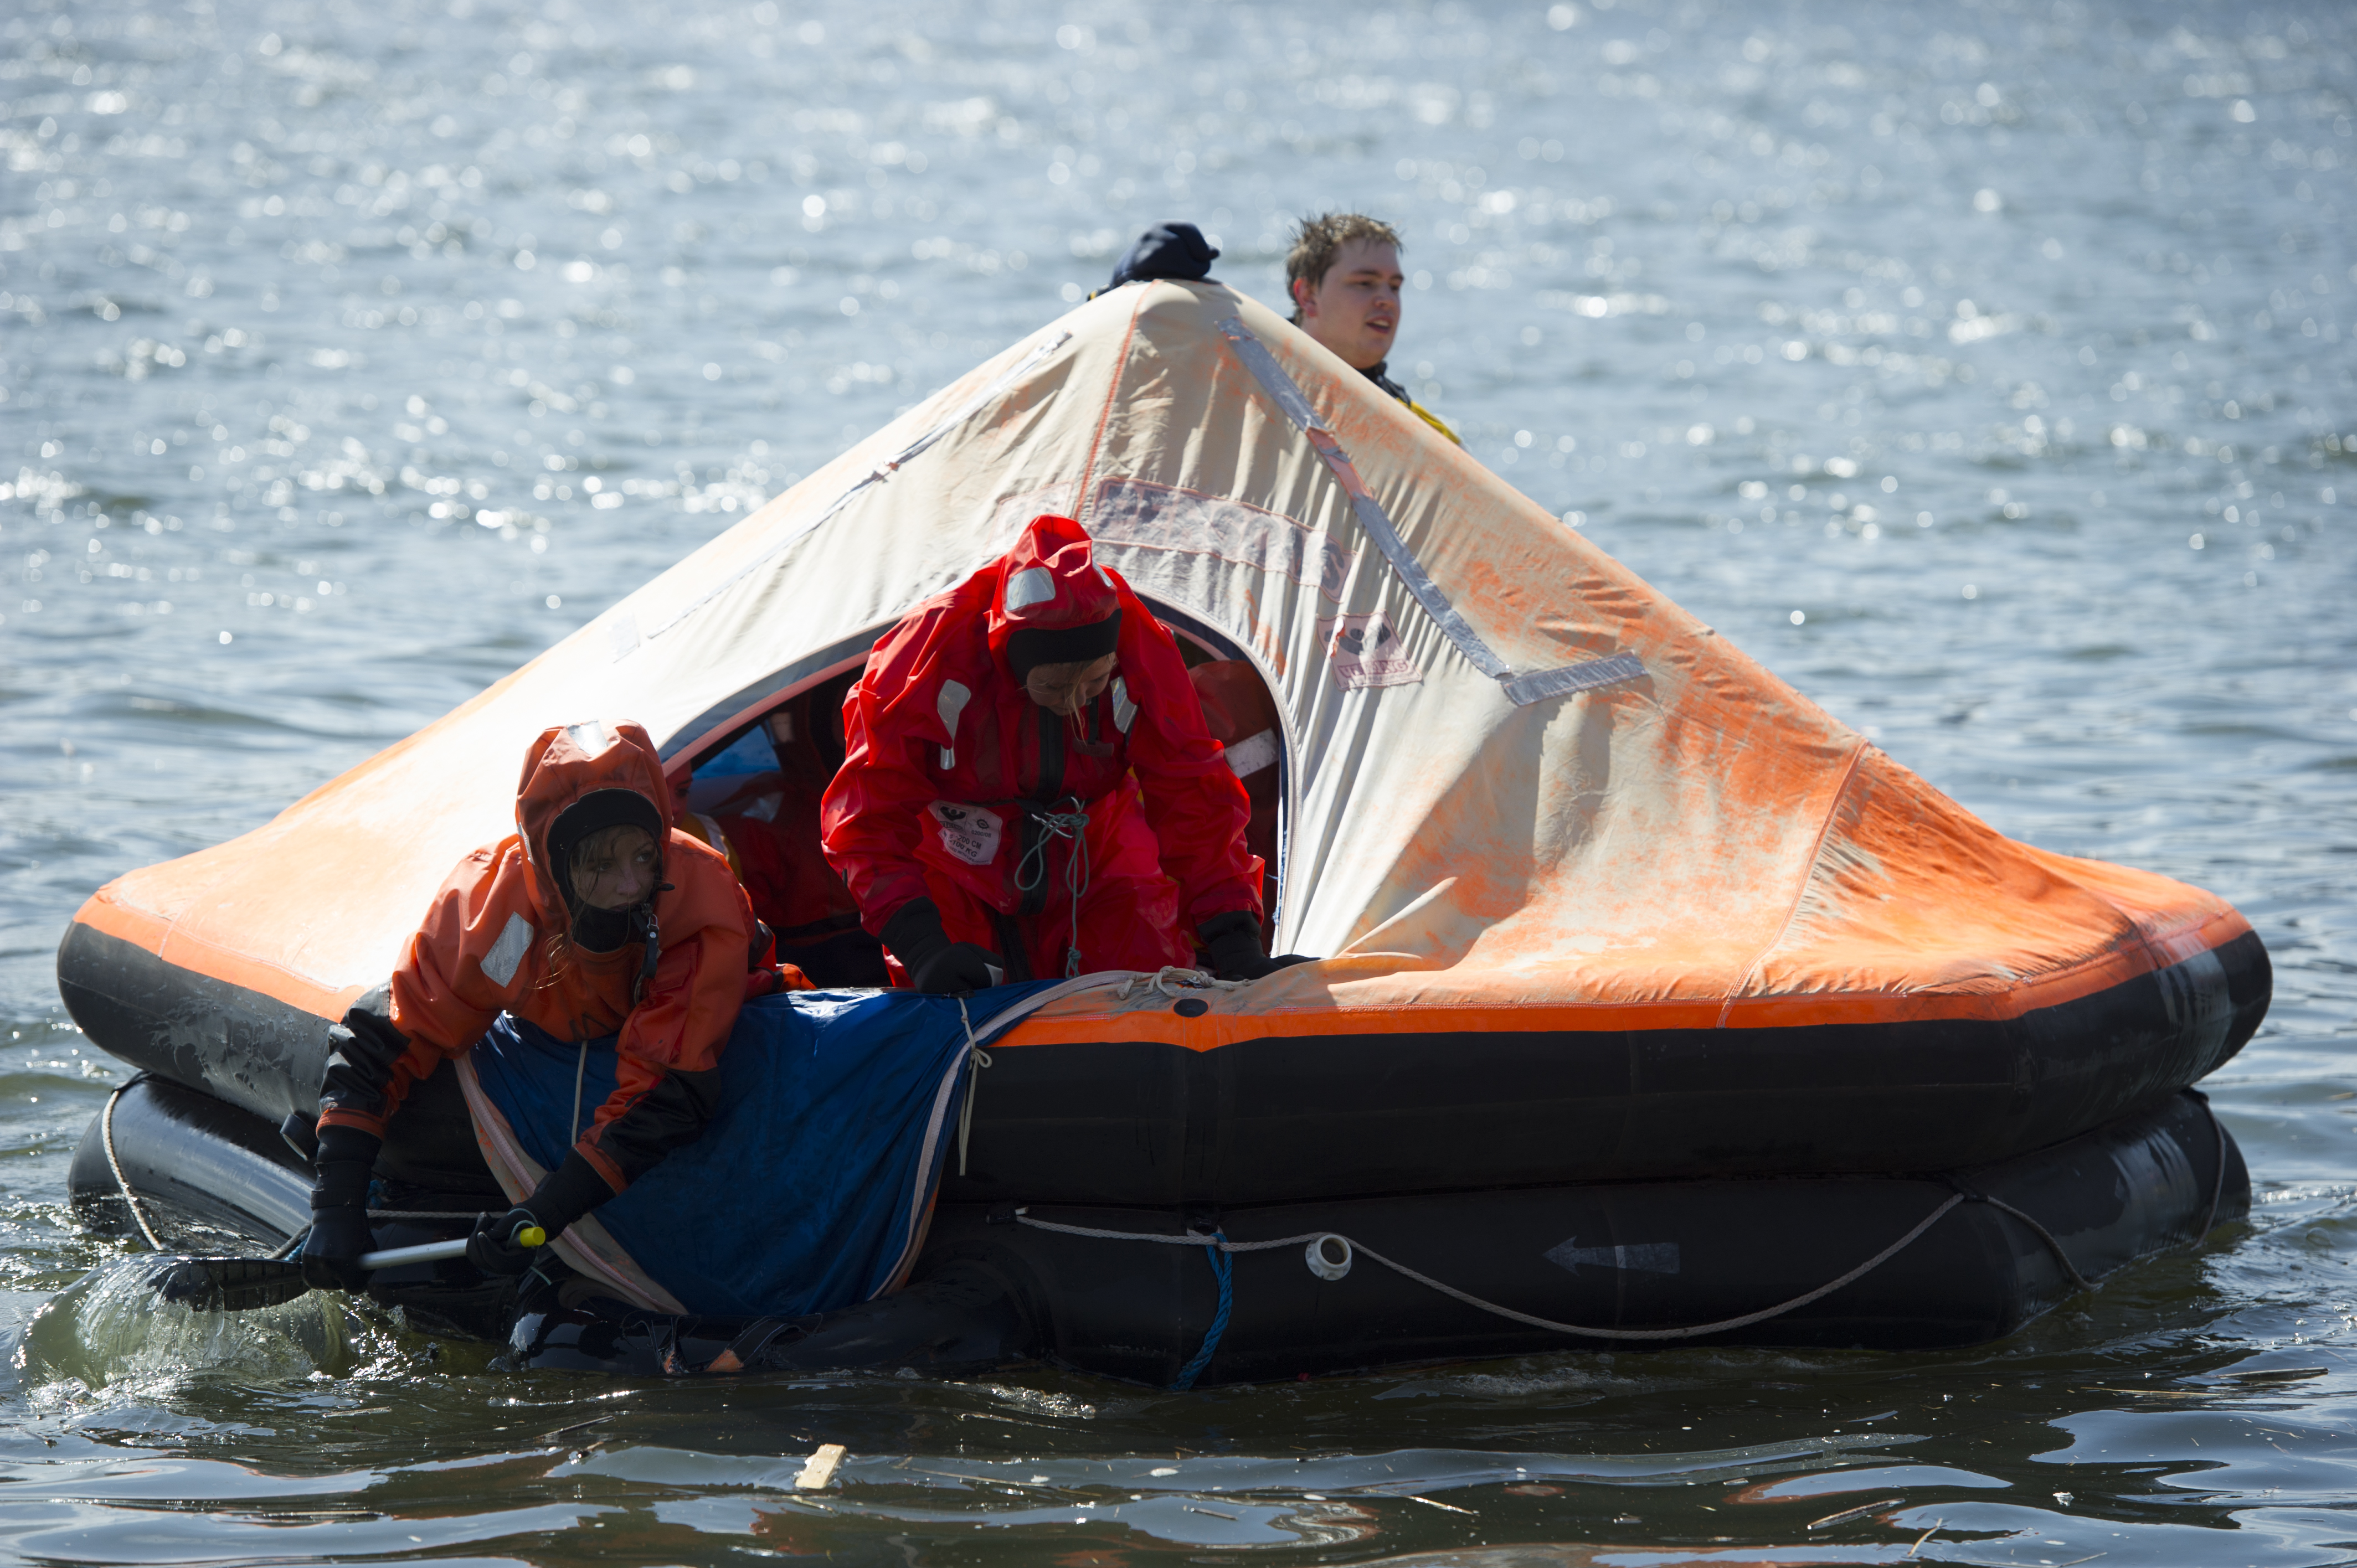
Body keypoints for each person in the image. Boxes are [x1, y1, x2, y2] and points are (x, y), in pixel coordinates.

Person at [300, 719, 805, 1291]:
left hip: (732, 1026)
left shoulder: (698, 899)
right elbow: (391, 1032)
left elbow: (668, 1088)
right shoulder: (494, 907)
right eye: (600, 864)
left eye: (644, 857)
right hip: (573, 1042)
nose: (628, 885)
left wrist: (546, 1213)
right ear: (553, 861)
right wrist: (335, 1209)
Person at [820, 513, 1304, 990]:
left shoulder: (1138, 645)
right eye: (1052, 685)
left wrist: (1236, 941)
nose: (1074, 701)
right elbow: (866, 816)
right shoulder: (926, 656)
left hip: (1099, 866)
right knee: (956, 1013)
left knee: (1146, 993)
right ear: (1010, 660)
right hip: (954, 879)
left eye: (1094, 681)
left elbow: (1195, 795)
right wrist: (922, 947)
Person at [1284, 212, 1460, 445]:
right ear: (1308, 296)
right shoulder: (1248, 386)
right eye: (1365, 283)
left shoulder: (1432, 437)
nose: (1387, 300)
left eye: (1395, 287)